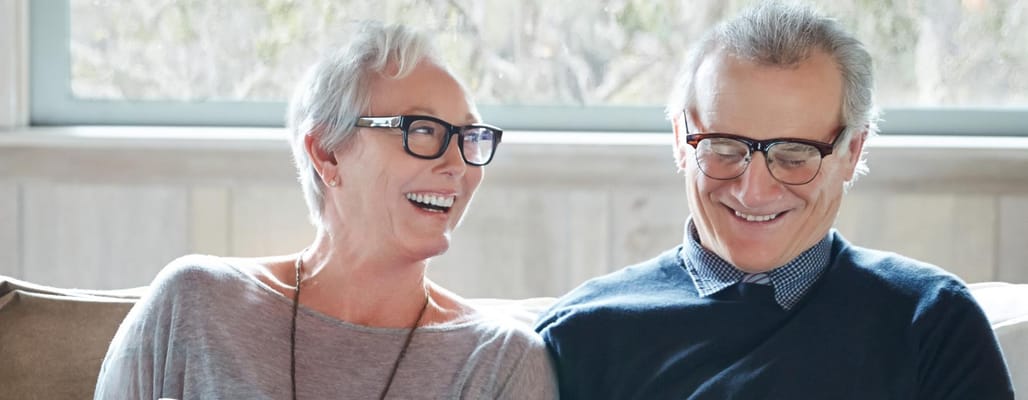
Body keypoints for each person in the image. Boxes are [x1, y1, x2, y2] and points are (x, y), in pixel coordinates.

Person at [534, 2, 1014, 399]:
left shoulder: (930, 321)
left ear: (852, 152)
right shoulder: (581, 333)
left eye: (794, 155)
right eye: (725, 148)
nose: (753, 190)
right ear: (682, 140)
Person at [95, 23, 557, 399]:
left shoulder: (501, 358)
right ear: (327, 154)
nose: (456, 164)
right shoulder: (197, 302)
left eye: (469, 137)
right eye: (424, 131)